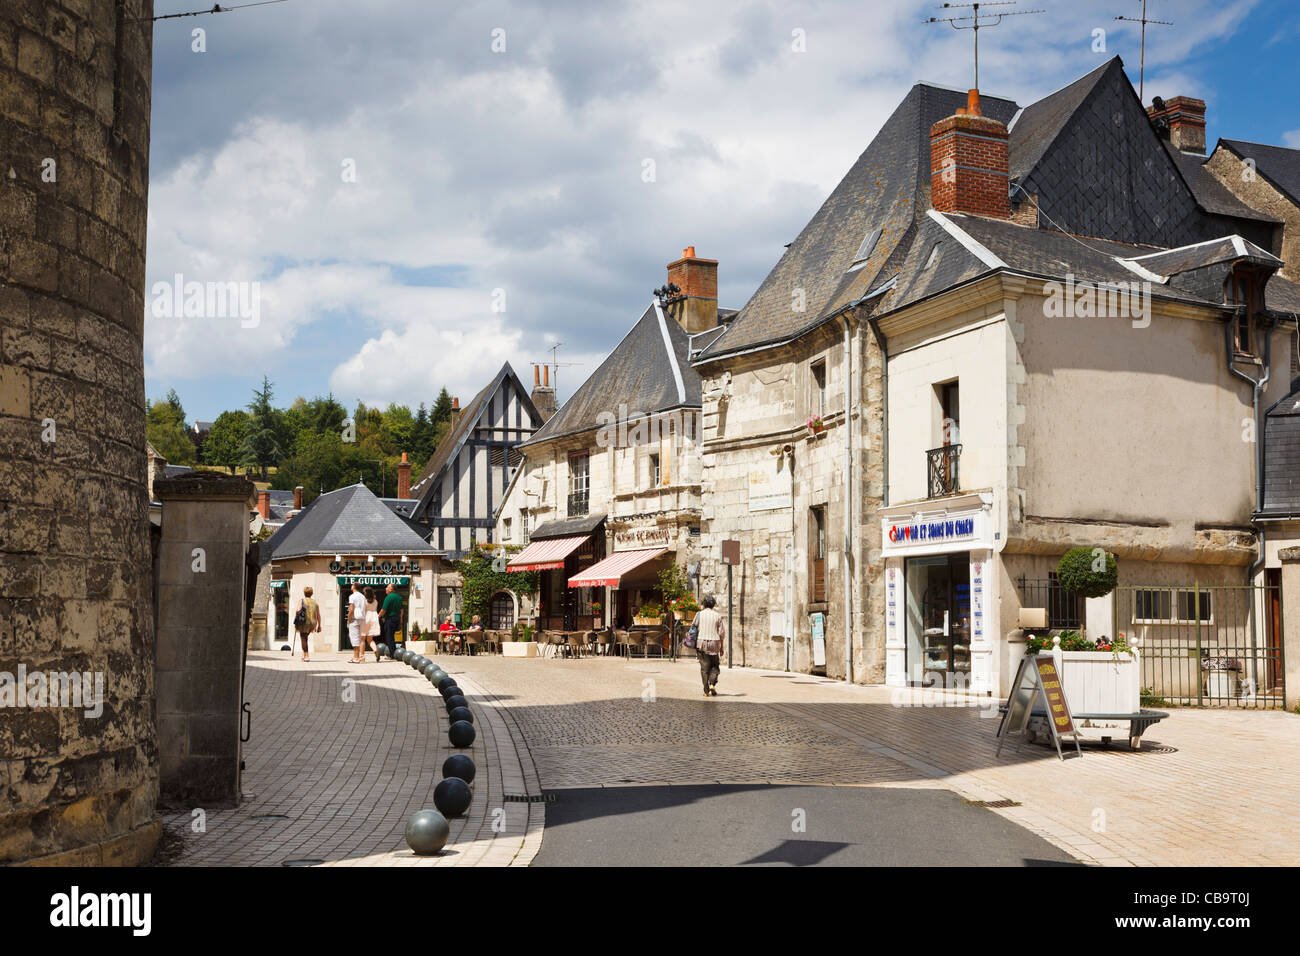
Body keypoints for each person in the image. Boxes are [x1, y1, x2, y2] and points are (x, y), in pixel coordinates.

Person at [692, 594, 725, 697]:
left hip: (701, 642)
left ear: (704, 604)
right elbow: (721, 633)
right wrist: (722, 647)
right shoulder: (717, 616)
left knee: (704, 667)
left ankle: (706, 690)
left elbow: (693, 627)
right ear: (713, 604)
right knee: (715, 666)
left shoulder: (699, 614)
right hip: (714, 643)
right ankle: (712, 684)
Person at [295, 586, 322, 662]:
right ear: (311, 593)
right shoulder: (315, 602)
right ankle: (304, 654)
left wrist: (297, 612)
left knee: (303, 638)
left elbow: (298, 610)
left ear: (304, 593)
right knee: (305, 637)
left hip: (304, 621)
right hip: (313, 622)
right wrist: (319, 625)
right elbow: (318, 615)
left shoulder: (301, 600)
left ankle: (306, 655)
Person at [379, 582, 405, 654]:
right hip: (396, 618)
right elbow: (401, 610)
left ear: (391, 589)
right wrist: (401, 619)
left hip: (390, 619)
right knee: (393, 636)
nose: (386, 588)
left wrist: (377, 616)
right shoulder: (399, 597)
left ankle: (392, 654)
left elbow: (383, 610)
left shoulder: (388, 597)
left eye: (387, 587)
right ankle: (394, 653)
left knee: (389, 637)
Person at [346, 581, 366, 663]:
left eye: (352, 585)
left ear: (354, 587)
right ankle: (356, 656)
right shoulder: (363, 596)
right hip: (362, 618)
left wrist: (348, 619)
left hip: (354, 619)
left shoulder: (352, 596)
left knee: (354, 638)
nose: (351, 586)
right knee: (359, 638)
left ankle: (356, 657)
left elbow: (351, 609)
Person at [362, 586, 382, 662]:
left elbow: (363, 611)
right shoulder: (375, 601)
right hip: (374, 618)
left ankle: (362, 656)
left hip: (366, 618)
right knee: (370, 639)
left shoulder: (364, 601)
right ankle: (375, 650)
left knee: (362, 639)